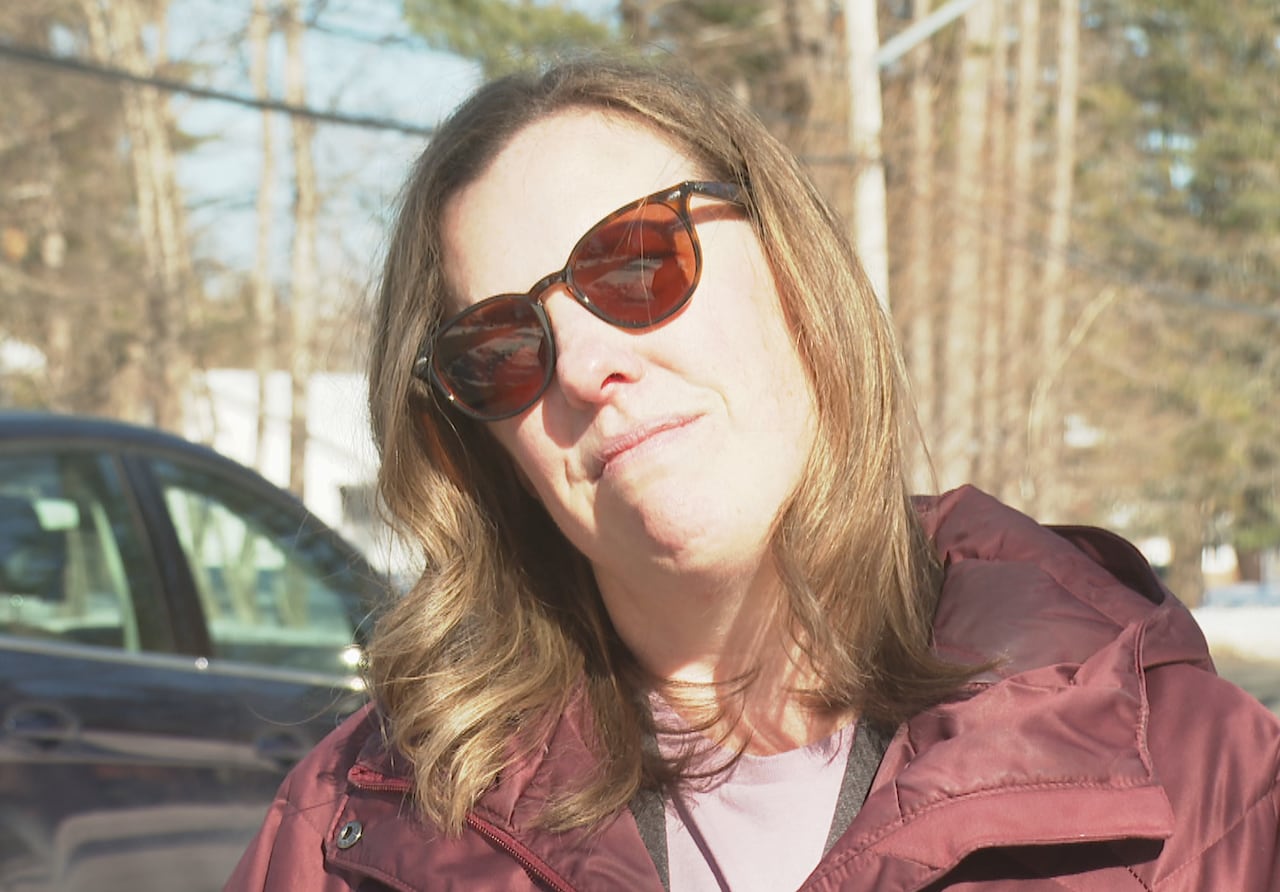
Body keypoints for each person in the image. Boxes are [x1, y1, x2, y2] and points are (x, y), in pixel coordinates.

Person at [226, 57, 1280, 892]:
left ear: (792, 275)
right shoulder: (367, 830)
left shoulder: (1189, 784)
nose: (588, 366)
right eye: (501, 346)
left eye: (636, 263)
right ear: (480, 446)